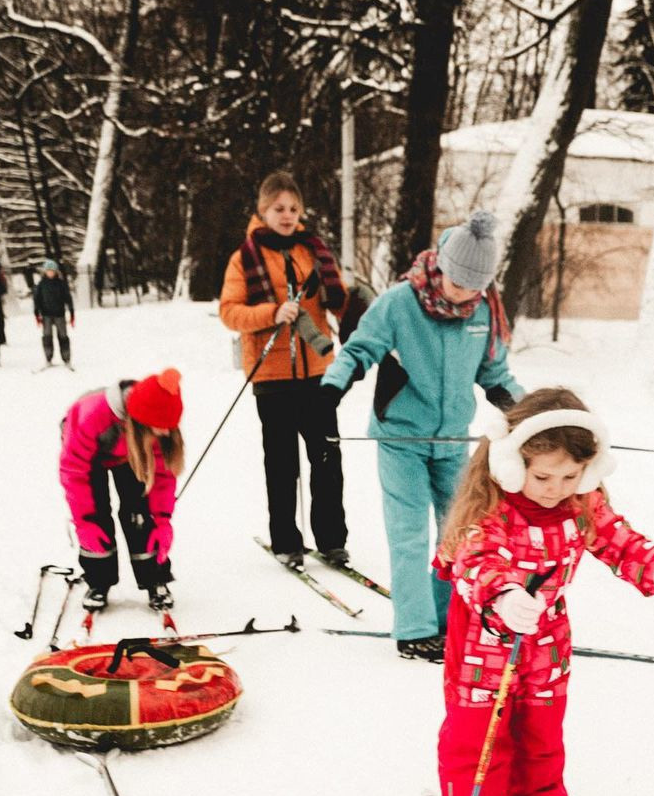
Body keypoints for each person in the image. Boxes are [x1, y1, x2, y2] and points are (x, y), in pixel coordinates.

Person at [433, 386, 654, 796]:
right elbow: (476, 560)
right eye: (542, 476)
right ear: (513, 463)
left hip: (548, 636)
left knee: (542, 721)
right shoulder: (492, 506)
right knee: (481, 728)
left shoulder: (582, 502)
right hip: (484, 638)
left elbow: (620, 541)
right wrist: (505, 595)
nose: (555, 487)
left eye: (570, 475)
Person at [321, 210, 523, 663]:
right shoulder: (400, 301)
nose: (464, 293)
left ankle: (447, 620)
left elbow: (495, 373)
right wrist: (330, 390)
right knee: (409, 534)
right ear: (441, 267)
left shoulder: (484, 309)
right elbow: (360, 348)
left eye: (475, 286)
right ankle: (414, 630)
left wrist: (522, 411)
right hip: (401, 437)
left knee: (458, 534)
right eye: (457, 283)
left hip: (453, 440)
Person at [219, 170, 349, 570]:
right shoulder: (244, 257)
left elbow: (339, 300)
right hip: (271, 376)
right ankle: (287, 542)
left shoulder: (315, 251)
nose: (287, 215)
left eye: (294, 208)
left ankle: (331, 540)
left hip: (318, 372)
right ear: (263, 210)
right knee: (281, 463)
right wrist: (272, 313)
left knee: (326, 457)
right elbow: (230, 312)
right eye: (279, 208)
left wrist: (350, 301)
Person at [60, 368, 185, 612]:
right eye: (159, 428)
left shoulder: (159, 425)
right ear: (139, 420)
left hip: (130, 454)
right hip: (90, 458)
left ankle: (155, 577)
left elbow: (162, 476)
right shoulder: (91, 415)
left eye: (168, 428)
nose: (164, 433)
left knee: (140, 513)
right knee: (96, 516)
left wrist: (162, 521)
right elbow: (74, 474)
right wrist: (84, 522)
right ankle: (98, 580)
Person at [33, 259, 75, 368]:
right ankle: (48, 358)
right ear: (45, 272)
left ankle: (66, 358)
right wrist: (37, 314)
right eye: (48, 271)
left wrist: (71, 312)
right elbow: (37, 299)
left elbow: (68, 298)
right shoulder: (41, 284)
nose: (50, 273)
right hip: (46, 315)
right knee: (47, 337)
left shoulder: (61, 284)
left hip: (59, 314)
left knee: (63, 337)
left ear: (56, 271)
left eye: (52, 271)